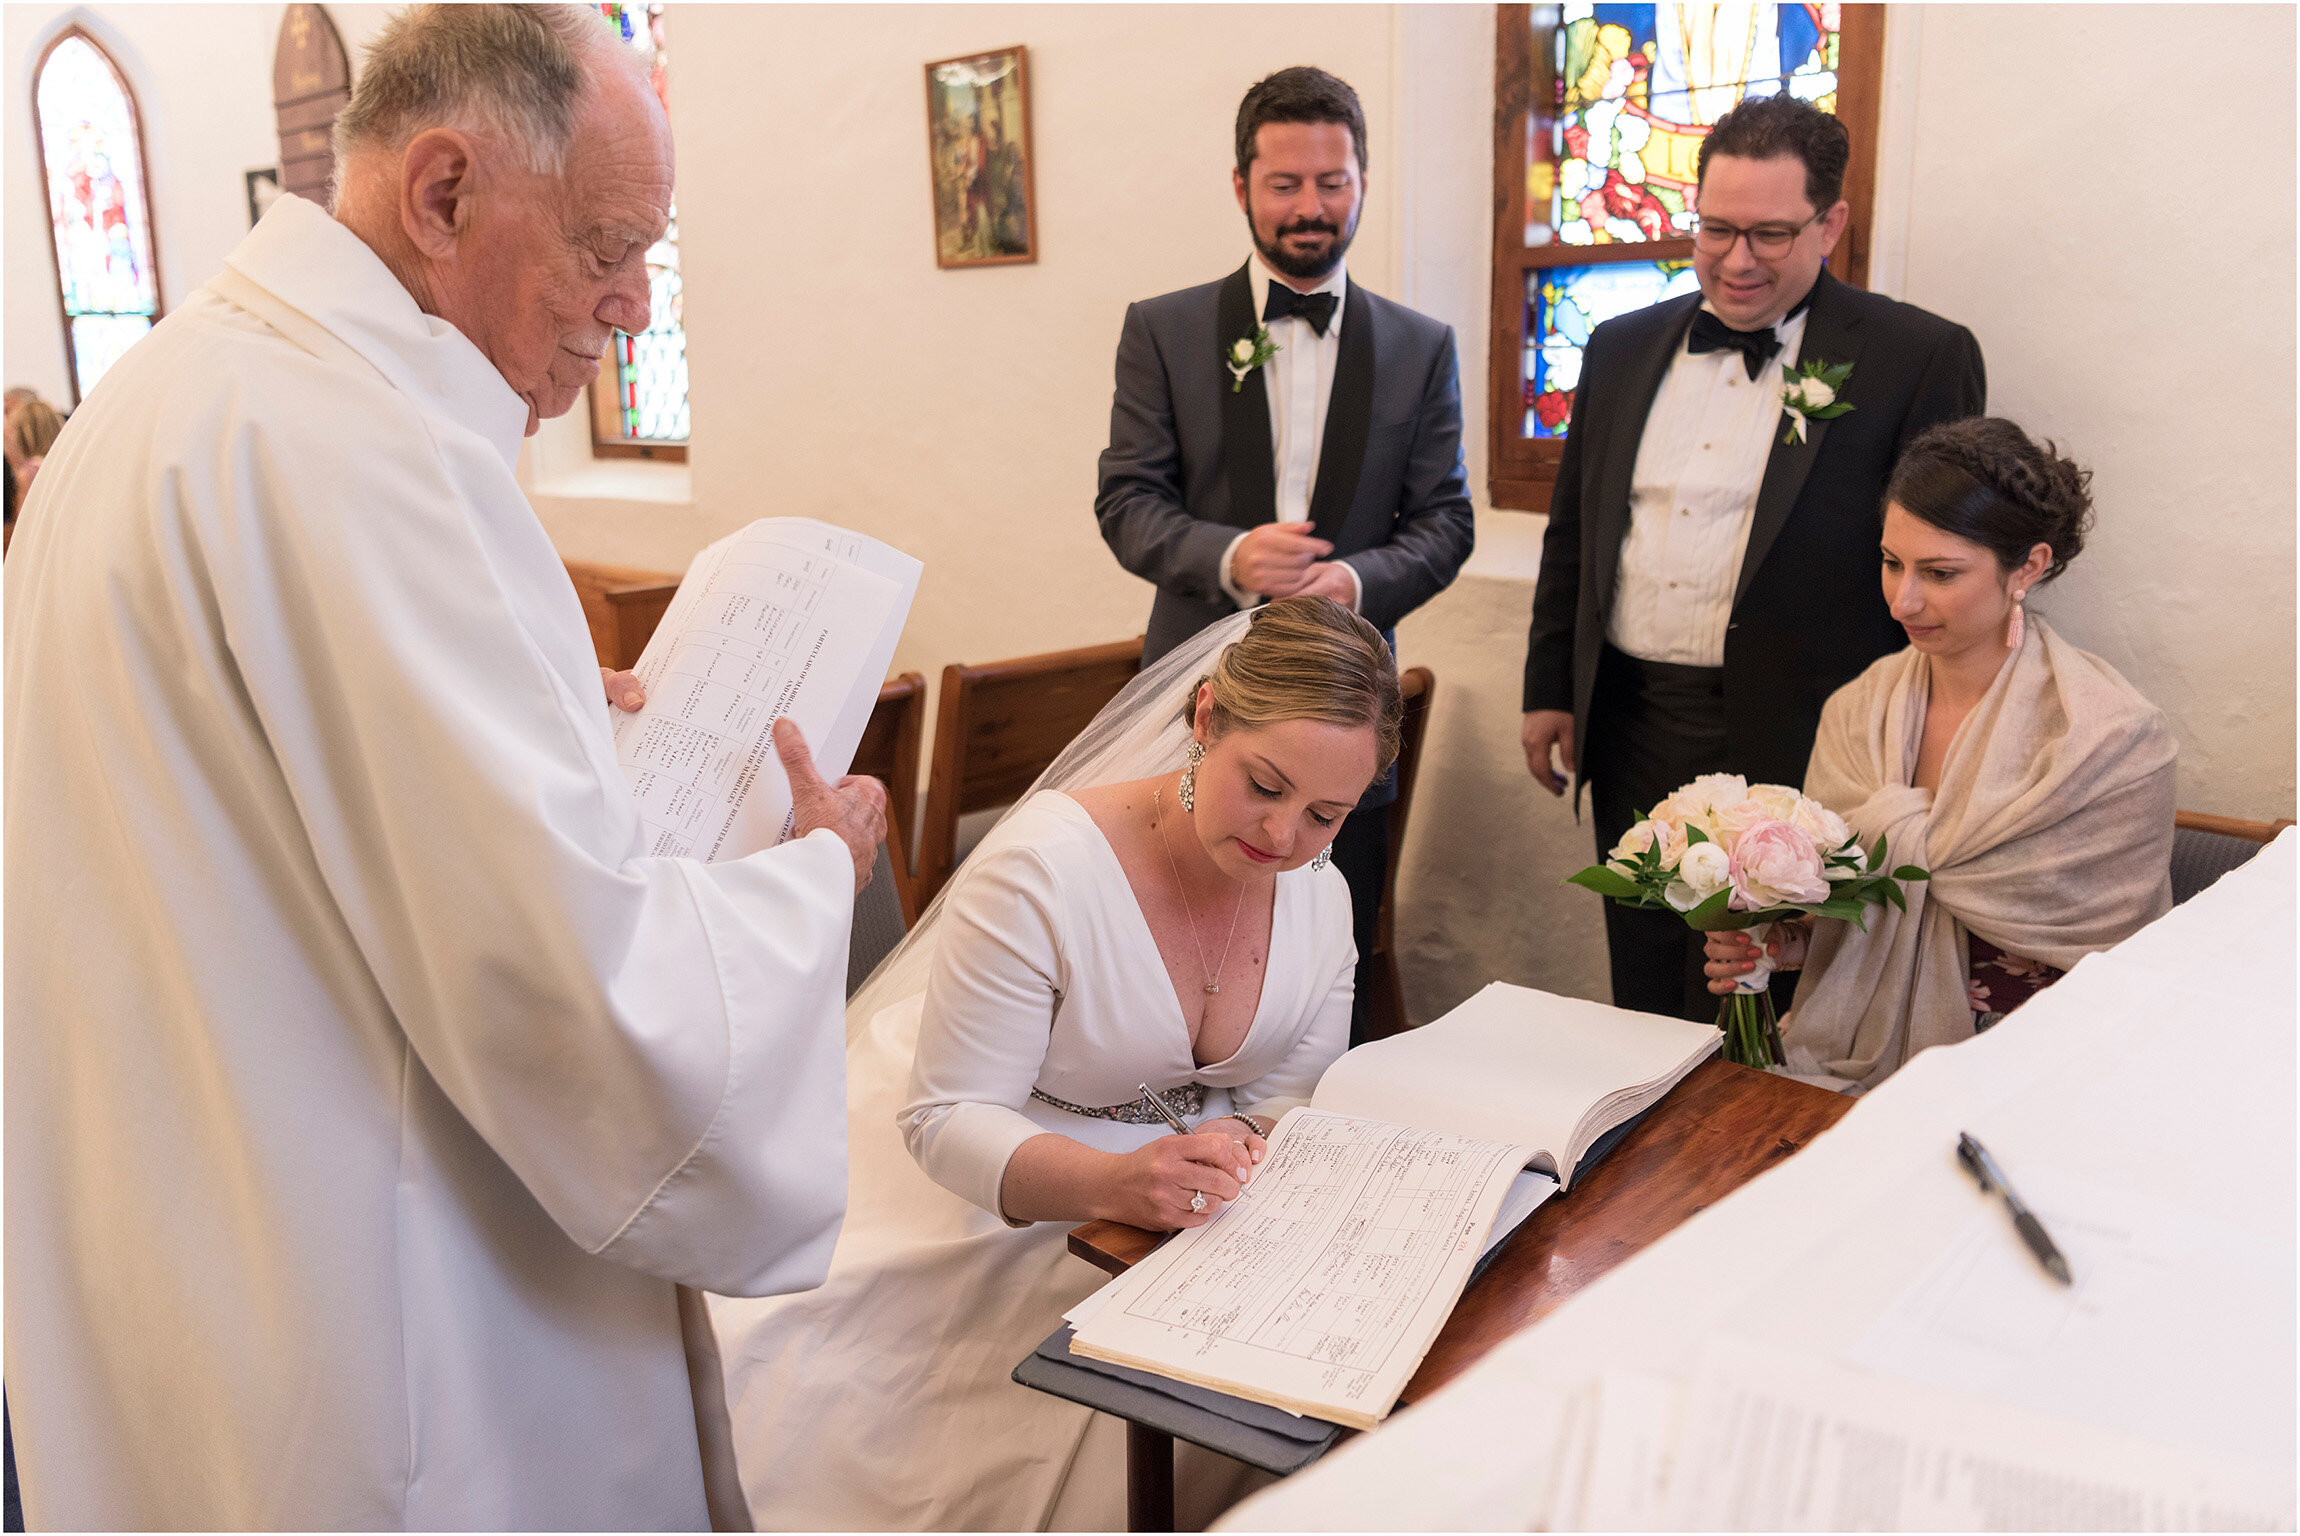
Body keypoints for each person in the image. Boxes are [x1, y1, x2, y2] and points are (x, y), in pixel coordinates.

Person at [4, 7, 887, 1529]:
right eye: (607, 246)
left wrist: (540, 722)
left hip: (190, 1280)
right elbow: (583, 999)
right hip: (391, 1340)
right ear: (442, 193)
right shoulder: (380, 457)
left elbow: (282, 817)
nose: (626, 310)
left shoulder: (157, 404)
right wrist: (814, 874)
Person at [712, 596, 1400, 1531]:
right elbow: (946, 1118)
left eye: (1326, 814)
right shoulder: (1045, 868)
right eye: (1265, 786)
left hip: (1179, 1192)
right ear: (1205, 719)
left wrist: (1236, 1142)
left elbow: (1292, 1091)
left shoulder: (1319, 894)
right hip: (986, 1182)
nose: (1284, 840)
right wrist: (1119, 1183)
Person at [1520, 94, 1986, 1022]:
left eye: (1770, 234)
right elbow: (1575, 528)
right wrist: (1548, 687)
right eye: (1717, 230)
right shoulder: (1619, 346)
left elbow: (1943, 565)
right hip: (1633, 714)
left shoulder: (1916, 355)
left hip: (1810, 726)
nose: (1737, 260)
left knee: (1782, 992)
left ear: (1832, 222)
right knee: (1651, 974)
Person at [1096, 66, 1473, 1044]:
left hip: (1347, 715)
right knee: (1169, 947)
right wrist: (1227, 557)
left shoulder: (1420, 345)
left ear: (1359, 182)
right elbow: (1125, 502)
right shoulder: (1164, 330)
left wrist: (1353, 579)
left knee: (1319, 964)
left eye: (1331, 182)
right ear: (1240, 187)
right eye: (1284, 183)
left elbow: (1446, 522)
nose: (1310, 206)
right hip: (1200, 703)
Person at [1703, 418, 2175, 1091]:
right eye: (1892, 562)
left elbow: (2115, 967)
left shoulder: (2107, 741)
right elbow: (1857, 919)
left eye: (1940, 572)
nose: (1904, 599)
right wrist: (1783, 946)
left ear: (2029, 567)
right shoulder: (1857, 712)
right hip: (1852, 1062)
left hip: (2040, 1082)